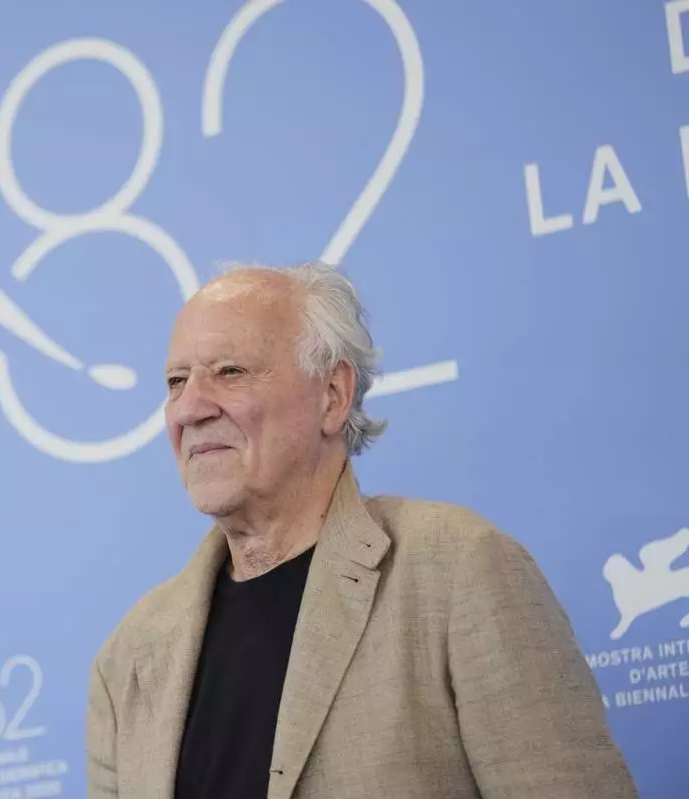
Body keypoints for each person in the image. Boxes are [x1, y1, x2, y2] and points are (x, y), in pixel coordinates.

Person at [84, 262, 637, 798]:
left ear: (333, 395)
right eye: (176, 381)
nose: (189, 408)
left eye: (230, 372)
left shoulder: (458, 571)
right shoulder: (129, 655)